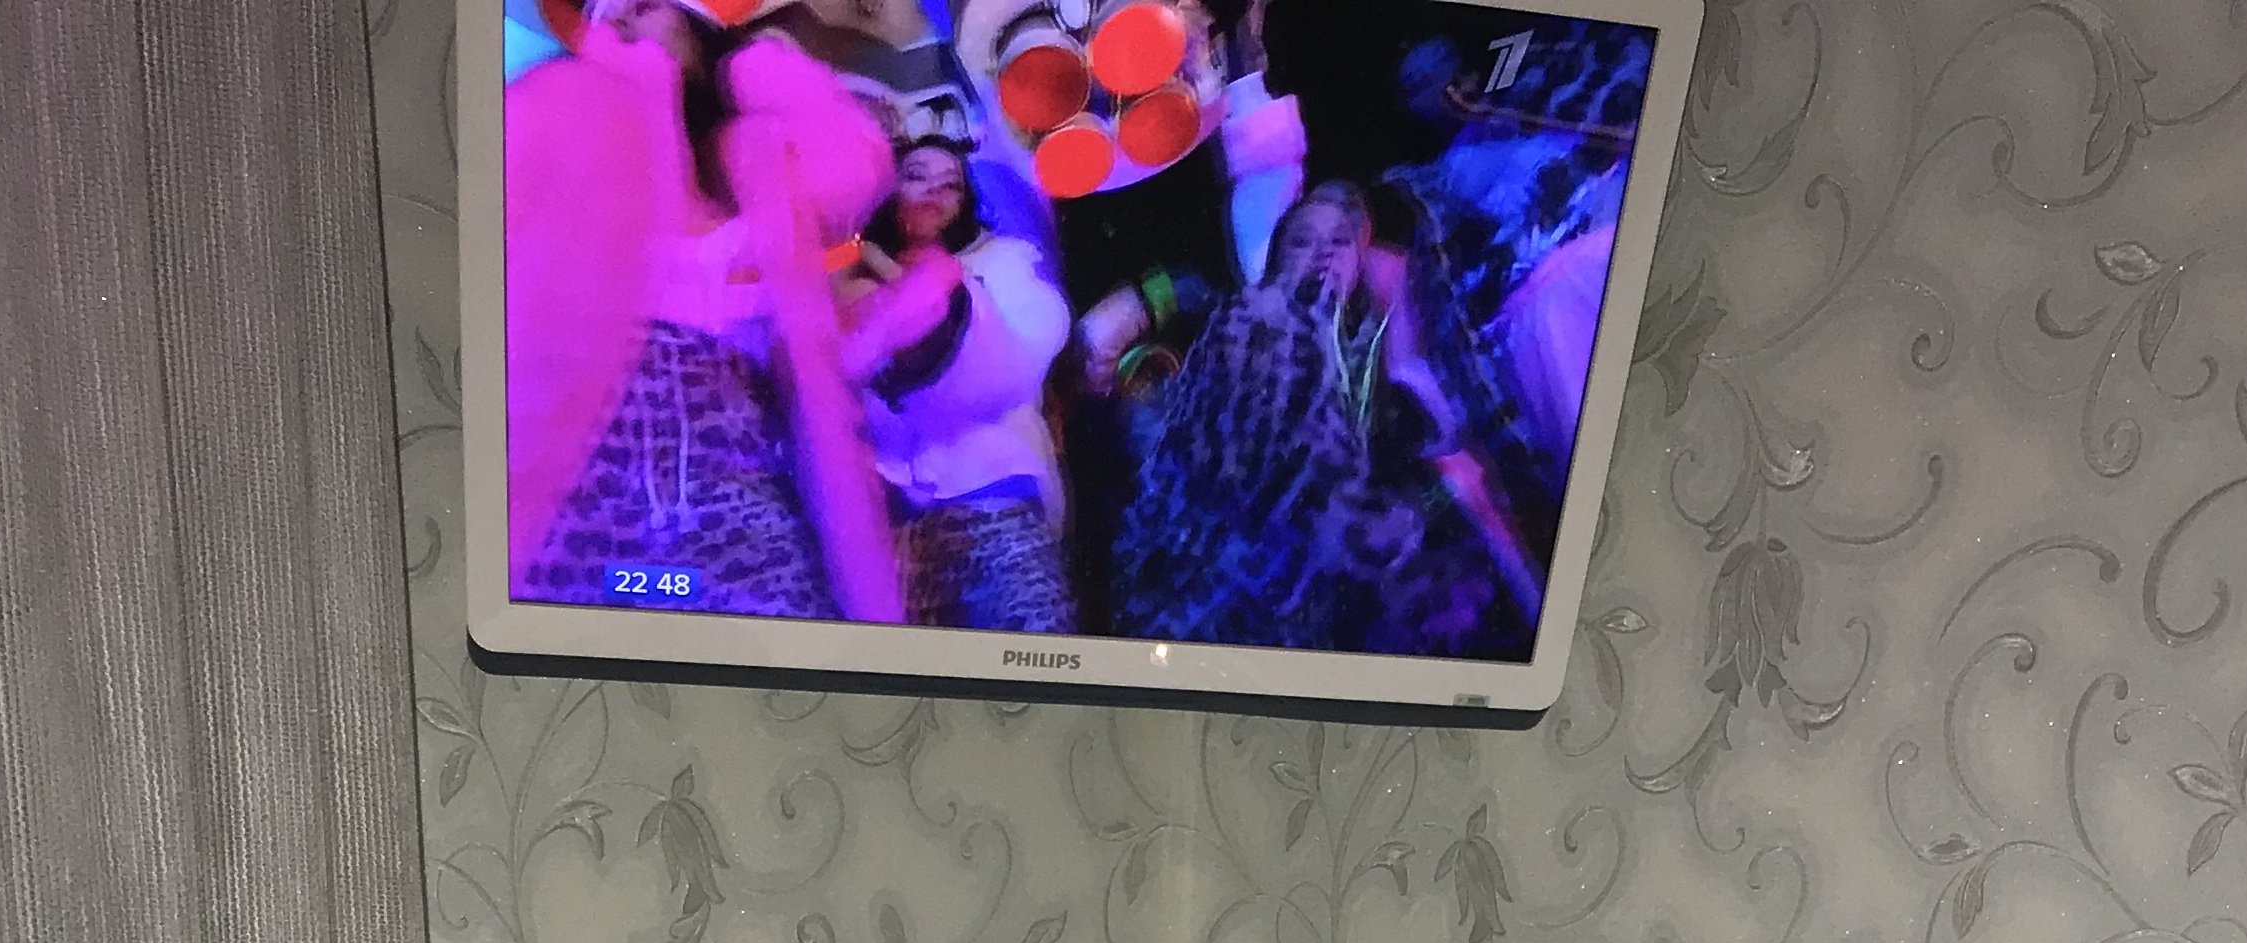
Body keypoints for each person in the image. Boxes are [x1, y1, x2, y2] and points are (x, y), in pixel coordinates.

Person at [507, 0, 901, 622]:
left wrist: (750, 66)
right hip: (587, 476)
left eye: (645, 6)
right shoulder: (563, 115)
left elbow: (854, 174)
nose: (625, 24)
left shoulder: (758, 157)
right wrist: (633, 90)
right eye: (608, 17)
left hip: (744, 479)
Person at [1112, 179, 1533, 658]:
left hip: (1246, 608)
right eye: (1303, 240)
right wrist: (1426, 505)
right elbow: (1303, 497)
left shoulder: (1332, 340)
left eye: (1340, 242)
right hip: (1207, 605)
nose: (1322, 253)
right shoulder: (1263, 322)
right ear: (1278, 255)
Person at [837, 139, 1077, 629]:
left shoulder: (1003, 263)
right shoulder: (846, 277)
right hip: (890, 512)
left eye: (951, 185)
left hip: (990, 490)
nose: (934, 191)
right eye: (917, 176)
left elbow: (1020, 365)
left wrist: (925, 295)